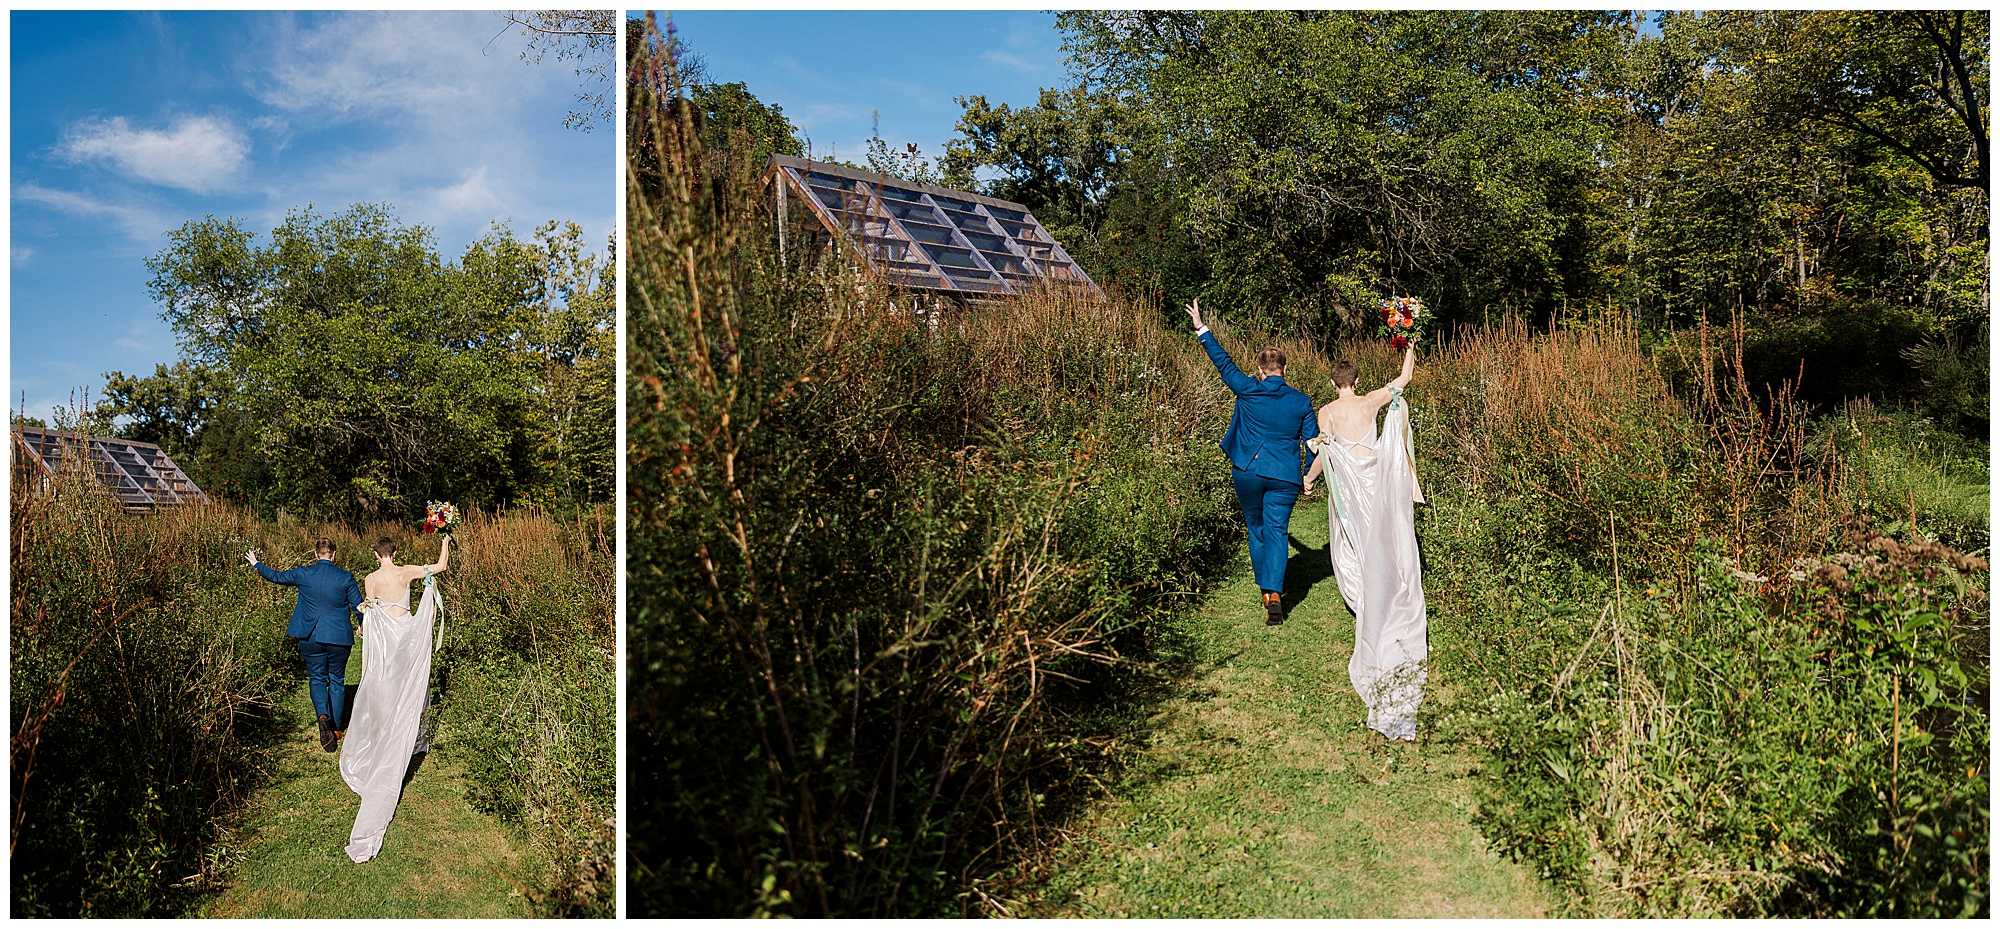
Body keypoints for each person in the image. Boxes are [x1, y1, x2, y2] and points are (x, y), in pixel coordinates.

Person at [1303, 343, 1428, 741]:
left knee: (1354, 541)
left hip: (1352, 491)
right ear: (1356, 382)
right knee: (1385, 540)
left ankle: (1365, 596)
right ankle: (1389, 589)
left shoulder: (1326, 412)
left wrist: (1309, 477)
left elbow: (1324, 451)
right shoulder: (1371, 400)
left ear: (1333, 383)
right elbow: (1405, 379)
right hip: (1376, 483)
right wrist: (1409, 346)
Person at [1186, 298, 1321, 625]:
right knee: (1277, 530)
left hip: (1247, 470)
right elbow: (1314, 444)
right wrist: (1308, 477)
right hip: (1285, 475)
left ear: (1260, 371)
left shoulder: (1247, 388)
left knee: (1256, 528)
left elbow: (1224, 364)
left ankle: (1266, 589)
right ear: (1285, 370)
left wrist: (1202, 328)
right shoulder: (1301, 401)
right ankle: (1275, 592)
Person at [341, 534, 450, 863]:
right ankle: (402, 731)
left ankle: (384, 735)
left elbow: (369, 610)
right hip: (406, 636)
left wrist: (363, 621)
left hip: (386, 643)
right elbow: (441, 566)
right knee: (405, 686)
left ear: (376, 555)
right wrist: (445, 540)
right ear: (395, 553)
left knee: (383, 688)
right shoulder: (407, 572)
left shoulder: (371, 579)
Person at [247, 538, 363, 753]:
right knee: (337, 679)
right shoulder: (345, 578)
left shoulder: (303, 573)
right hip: (338, 637)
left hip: (310, 636)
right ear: (334, 554)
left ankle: (322, 717)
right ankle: (336, 727)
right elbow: (359, 606)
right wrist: (363, 625)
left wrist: (257, 564)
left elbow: (277, 577)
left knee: (317, 678)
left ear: (315, 554)